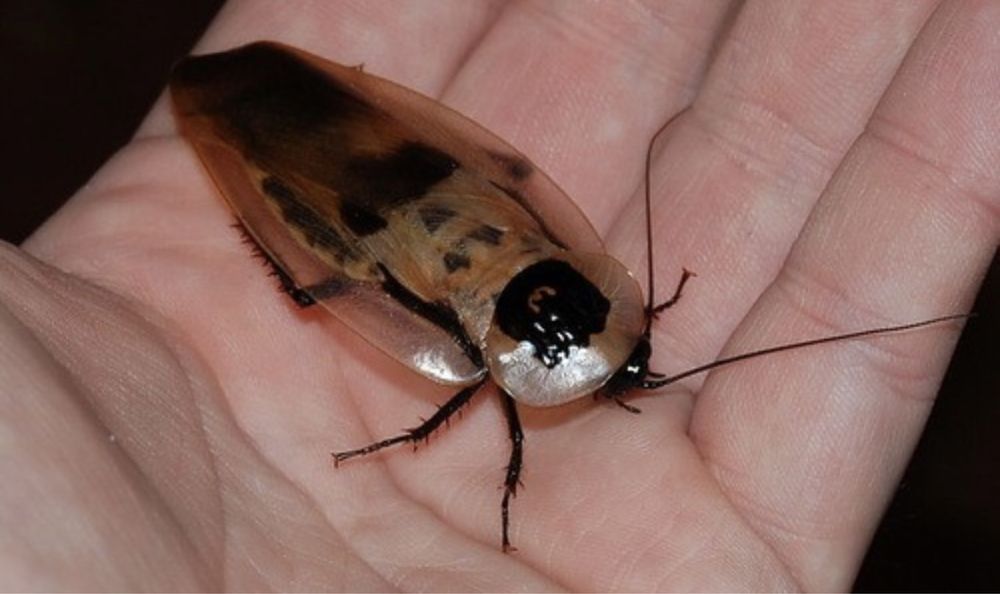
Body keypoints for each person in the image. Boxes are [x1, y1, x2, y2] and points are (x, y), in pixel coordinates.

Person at [1, 2, 996, 590]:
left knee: (330, 280)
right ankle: (238, 134)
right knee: (324, 284)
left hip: (417, 203)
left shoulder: (559, 314)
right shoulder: (521, 361)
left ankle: (239, 137)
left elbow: (513, 191)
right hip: (398, 207)